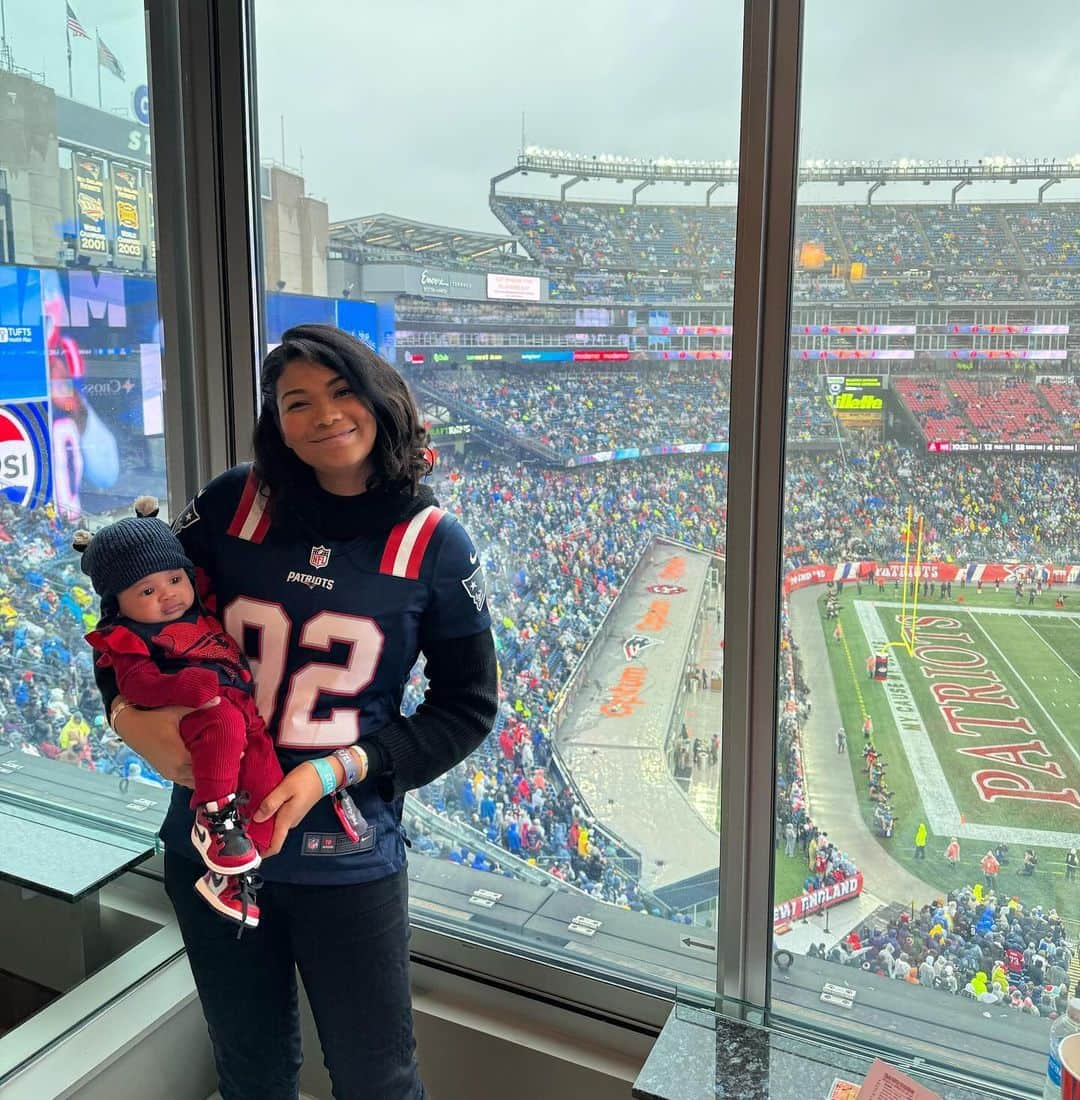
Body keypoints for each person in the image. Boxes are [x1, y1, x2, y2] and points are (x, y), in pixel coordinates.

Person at [97, 325, 498, 1099]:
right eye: (297, 402)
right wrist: (122, 713)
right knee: (249, 1071)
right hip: (209, 845)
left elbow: (467, 708)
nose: (325, 415)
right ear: (274, 421)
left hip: (345, 853)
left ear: (382, 396)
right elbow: (121, 616)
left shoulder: (435, 543)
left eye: (343, 391)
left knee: (377, 1078)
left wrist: (337, 770)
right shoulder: (229, 504)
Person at [78, 497, 284, 926]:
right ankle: (212, 818)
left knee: (267, 799)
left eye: (174, 579)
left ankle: (226, 879)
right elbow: (135, 684)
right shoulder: (128, 635)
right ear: (119, 602)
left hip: (247, 719)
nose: (168, 595)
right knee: (223, 726)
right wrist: (180, 687)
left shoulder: (201, 610)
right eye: (147, 591)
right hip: (202, 716)